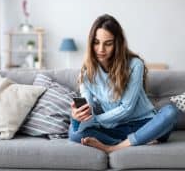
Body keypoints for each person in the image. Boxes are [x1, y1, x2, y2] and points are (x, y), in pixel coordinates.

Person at [68, 14, 179, 153]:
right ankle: (138, 141)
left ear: (117, 44)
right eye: (96, 42)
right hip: (115, 129)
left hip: (145, 124)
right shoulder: (86, 73)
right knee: (74, 133)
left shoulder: (135, 65)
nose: (101, 49)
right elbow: (88, 110)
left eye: (108, 43)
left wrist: (96, 119)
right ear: (91, 43)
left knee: (171, 112)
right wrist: (77, 118)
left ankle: (113, 147)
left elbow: (127, 108)